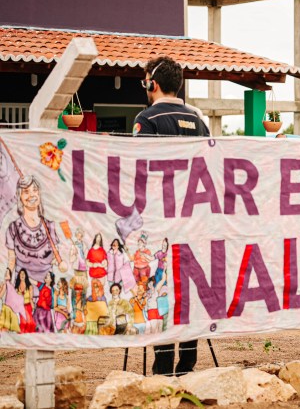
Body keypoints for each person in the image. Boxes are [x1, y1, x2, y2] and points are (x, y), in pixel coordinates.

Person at [134, 56, 209, 376]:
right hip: (195, 221)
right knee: (188, 289)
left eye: (145, 81)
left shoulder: (147, 119)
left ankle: (163, 364)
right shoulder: (199, 121)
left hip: (161, 220)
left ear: (152, 83)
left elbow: (140, 170)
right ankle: (188, 360)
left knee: (162, 287)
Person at [6, 175, 63, 285]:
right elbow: (11, 259)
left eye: (35, 190)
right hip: (23, 289)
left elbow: (55, 257)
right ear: (20, 197)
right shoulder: (13, 228)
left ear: (39, 194)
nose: (32, 194)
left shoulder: (50, 226)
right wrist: (7, 276)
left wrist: (60, 262)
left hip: (45, 290)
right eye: (26, 191)